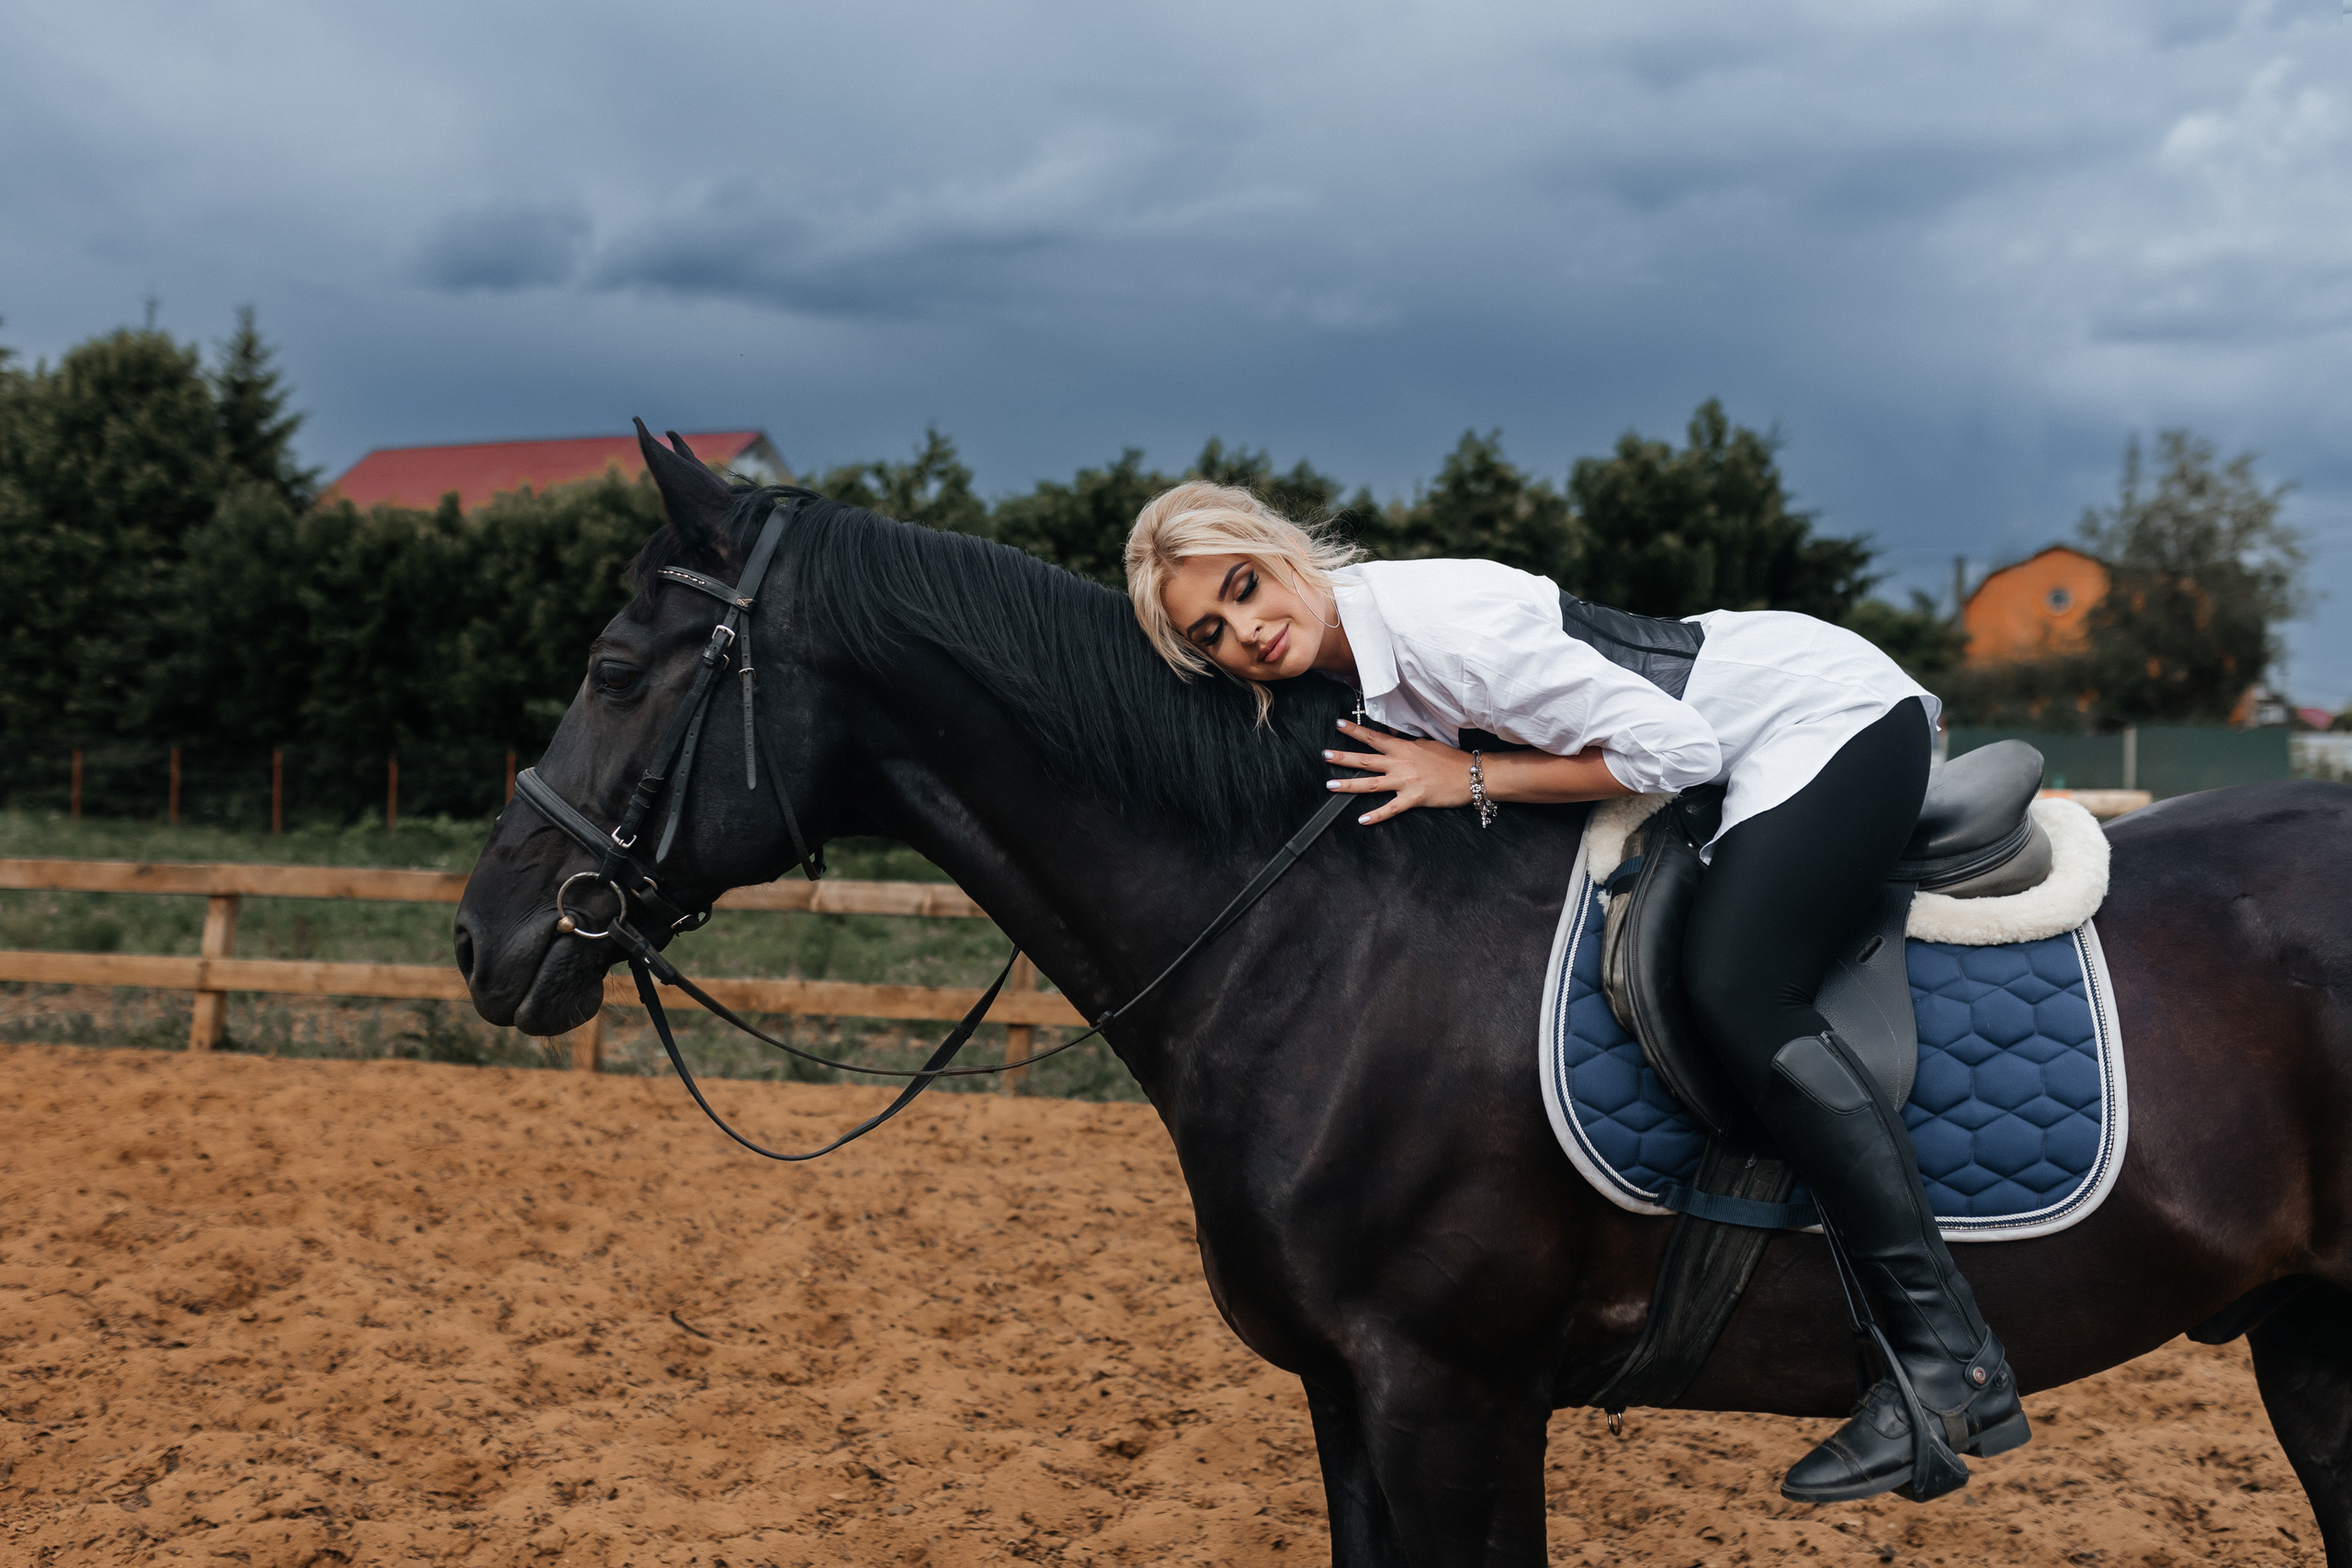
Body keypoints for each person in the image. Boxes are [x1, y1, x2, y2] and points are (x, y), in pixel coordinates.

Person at [1122, 479, 2030, 1505]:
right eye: (1215, 631)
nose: (1249, 629)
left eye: (1245, 588)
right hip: (1739, 726)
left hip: (1818, 717)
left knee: (1738, 986)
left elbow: (1675, 751)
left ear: (1281, 552)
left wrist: (1464, 778)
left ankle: (1947, 1358)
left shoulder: (1443, 636)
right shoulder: (1351, 660)